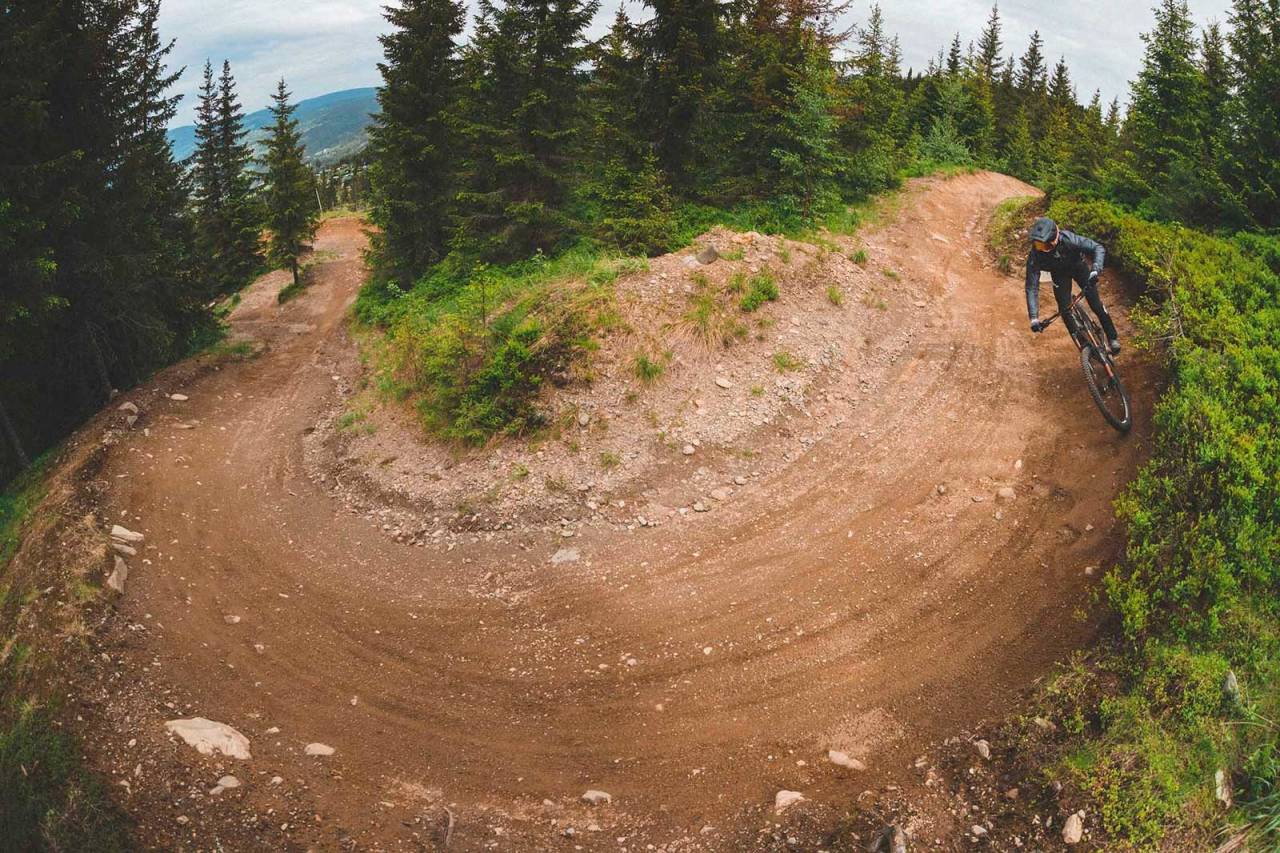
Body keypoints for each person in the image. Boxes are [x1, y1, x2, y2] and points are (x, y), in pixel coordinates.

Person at [1025, 216, 1120, 355]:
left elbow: (1097, 248)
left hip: (1078, 268)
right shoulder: (1035, 255)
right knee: (1064, 310)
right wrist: (1033, 317)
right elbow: (1031, 286)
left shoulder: (1069, 240)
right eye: (1038, 245)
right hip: (1059, 275)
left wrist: (1095, 269)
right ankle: (1084, 346)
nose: (1040, 249)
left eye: (1044, 245)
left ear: (1055, 240)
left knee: (1096, 304)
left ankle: (1112, 337)